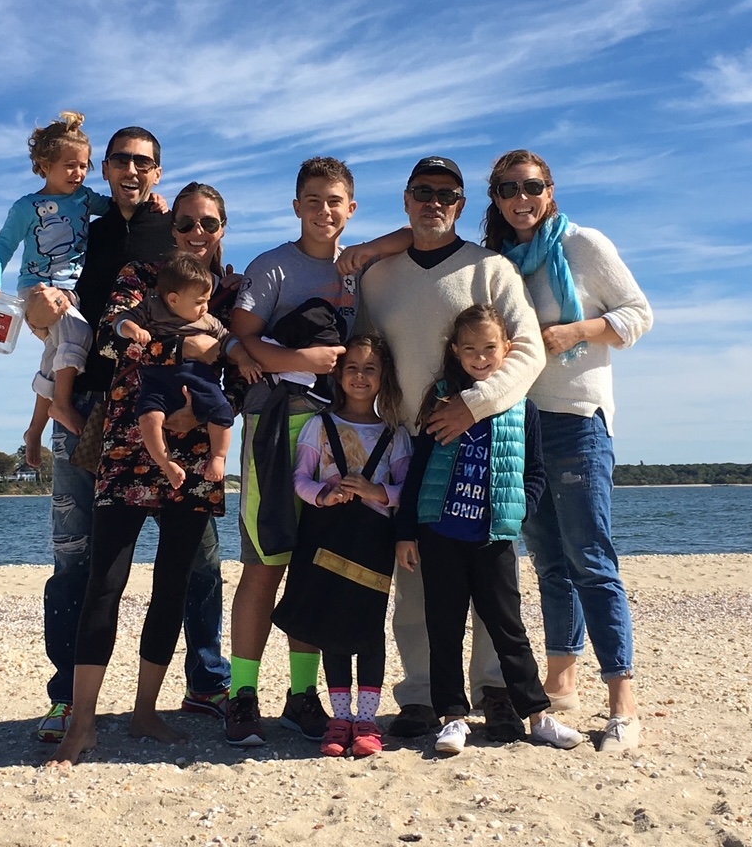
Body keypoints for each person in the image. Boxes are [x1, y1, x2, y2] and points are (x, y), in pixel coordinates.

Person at [23, 133, 230, 743]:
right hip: (109, 422)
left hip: (194, 441)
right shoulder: (96, 242)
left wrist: (204, 402)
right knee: (85, 566)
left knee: (192, 569)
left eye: (207, 224)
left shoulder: (222, 282)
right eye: (187, 222)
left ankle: (196, 688)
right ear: (106, 168)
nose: (194, 231)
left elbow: (237, 359)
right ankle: (71, 706)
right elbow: (104, 325)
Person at [350, 155, 545, 740]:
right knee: (415, 581)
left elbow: (528, 350)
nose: (433, 202)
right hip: (408, 440)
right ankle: (420, 694)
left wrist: (473, 405)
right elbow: (365, 353)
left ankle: (494, 689)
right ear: (406, 200)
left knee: (492, 583)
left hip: (482, 438)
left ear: (460, 204)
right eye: (422, 192)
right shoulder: (378, 277)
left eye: (446, 194)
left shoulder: (491, 269)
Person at [483, 149, 653, 752]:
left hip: (579, 417)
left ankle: (623, 703)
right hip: (521, 421)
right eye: (508, 189)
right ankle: (562, 681)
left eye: (531, 186)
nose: (521, 198)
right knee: (550, 560)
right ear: (496, 199)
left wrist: (578, 330)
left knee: (591, 559)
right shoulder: (500, 262)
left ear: (550, 191)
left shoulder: (584, 245)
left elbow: (639, 314)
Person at [394, 305, 582, 756]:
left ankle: (538, 715)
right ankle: (453, 717)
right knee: (444, 629)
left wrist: (521, 510)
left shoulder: (522, 408)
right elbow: (417, 470)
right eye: (470, 350)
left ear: (507, 349)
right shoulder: (441, 402)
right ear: (456, 352)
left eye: (489, 349)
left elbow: (535, 472)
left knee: (508, 628)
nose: (480, 358)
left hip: (494, 537)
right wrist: (406, 532)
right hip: (440, 533)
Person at [224, 156, 357, 746]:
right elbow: (241, 336)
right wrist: (301, 360)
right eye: (313, 200)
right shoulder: (273, 266)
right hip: (276, 428)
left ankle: (302, 695)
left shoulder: (361, 270)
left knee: (312, 567)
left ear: (350, 208)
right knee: (264, 563)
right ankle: (242, 695)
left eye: (335, 200)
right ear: (296, 205)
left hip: (339, 432)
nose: (324, 210)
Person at [273, 335, 412, 757]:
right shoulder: (319, 425)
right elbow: (300, 478)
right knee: (330, 627)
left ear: (383, 377)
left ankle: (367, 719)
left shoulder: (395, 434)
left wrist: (376, 492)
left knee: (368, 629)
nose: (360, 376)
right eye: (351, 367)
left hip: (373, 543)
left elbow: (408, 489)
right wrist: (324, 495)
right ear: (338, 374)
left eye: (370, 369)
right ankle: (340, 717)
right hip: (326, 540)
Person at [0, 112, 107, 458]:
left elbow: (116, 207)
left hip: (70, 293)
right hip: (37, 289)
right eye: (70, 165)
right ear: (45, 165)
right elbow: (3, 245)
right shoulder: (27, 207)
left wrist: (153, 203)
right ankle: (61, 404)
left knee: (54, 357)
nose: (78, 173)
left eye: (84, 166)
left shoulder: (85, 199)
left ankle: (34, 430)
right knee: (79, 334)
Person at [115, 251, 262, 487]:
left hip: (200, 379)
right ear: (173, 299)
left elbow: (229, 341)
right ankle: (166, 463)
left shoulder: (208, 320)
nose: (205, 307)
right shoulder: (152, 308)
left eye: (207, 300)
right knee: (149, 418)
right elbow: (119, 321)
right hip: (158, 381)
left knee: (221, 411)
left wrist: (243, 358)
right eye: (199, 302)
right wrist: (133, 329)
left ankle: (219, 457)